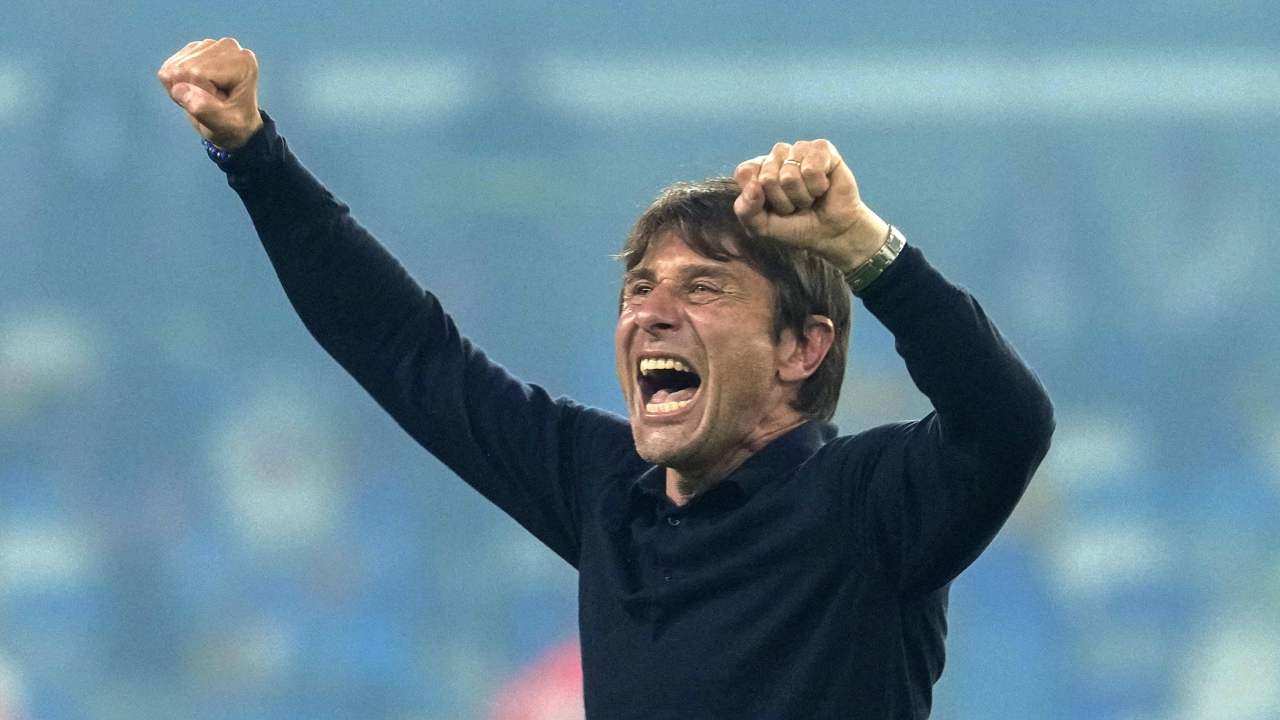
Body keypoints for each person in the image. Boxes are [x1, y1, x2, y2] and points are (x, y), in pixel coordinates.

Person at [158, 37, 1054, 719]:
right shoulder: (610, 491)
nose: (650, 313)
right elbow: (406, 350)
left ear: (800, 350)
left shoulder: (868, 504)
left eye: (702, 288)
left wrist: (863, 248)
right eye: (638, 288)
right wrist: (254, 158)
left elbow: (1008, 422)